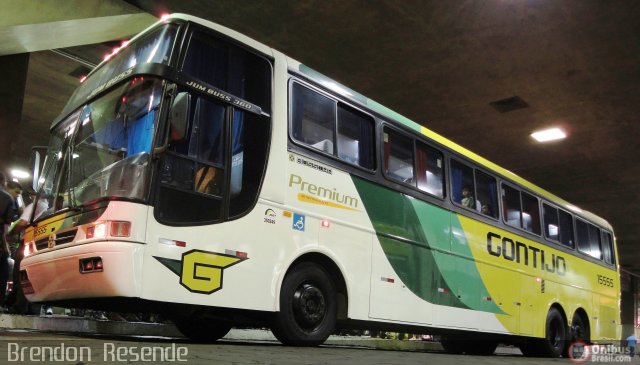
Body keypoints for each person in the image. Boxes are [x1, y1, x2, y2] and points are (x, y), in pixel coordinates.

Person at [0, 172, 17, 310]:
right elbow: (6, 225)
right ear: (4, 182)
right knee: (3, 272)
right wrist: (5, 246)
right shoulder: (7, 198)